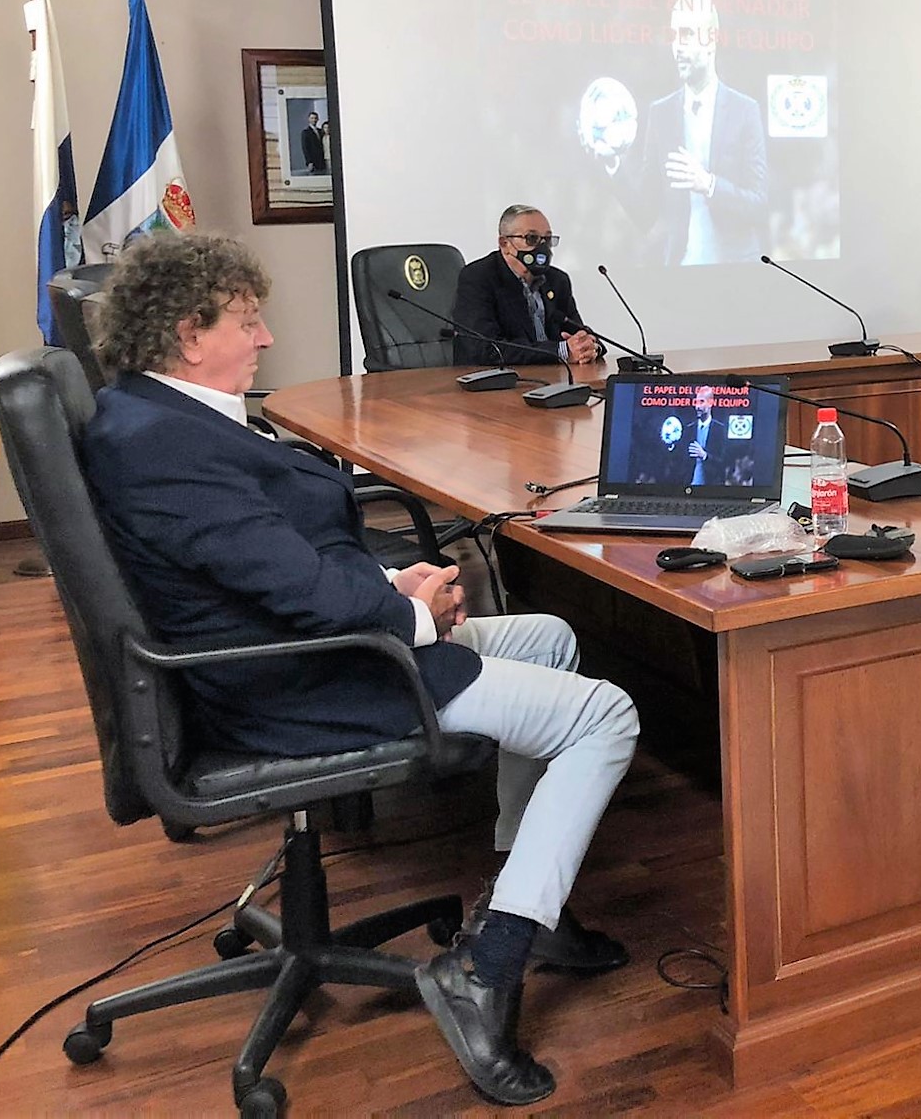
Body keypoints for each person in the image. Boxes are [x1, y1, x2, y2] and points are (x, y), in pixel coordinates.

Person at [80, 232, 638, 1106]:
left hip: (307, 640)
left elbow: (271, 565)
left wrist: (391, 580)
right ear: (189, 333)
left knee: (553, 638)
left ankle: (533, 902)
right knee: (606, 715)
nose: (264, 338)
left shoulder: (153, 416)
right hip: (303, 679)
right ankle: (488, 967)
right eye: (248, 320)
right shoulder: (163, 444)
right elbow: (294, 589)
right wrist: (416, 610)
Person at [596, 0, 768, 265]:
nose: (677, 47)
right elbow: (645, 214)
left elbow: (758, 205)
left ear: (711, 39)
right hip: (681, 273)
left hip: (739, 274)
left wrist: (708, 184)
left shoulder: (745, 111)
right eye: (674, 36)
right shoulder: (661, 114)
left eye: (687, 34)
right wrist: (614, 168)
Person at [452, 207, 600, 368]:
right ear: (505, 243)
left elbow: (579, 334)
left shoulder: (557, 280)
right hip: (500, 385)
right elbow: (486, 349)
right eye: (532, 238)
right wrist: (560, 351)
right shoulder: (478, 277)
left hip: (554, 380)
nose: (543, 247)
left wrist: (591, 347)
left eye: (547, 239)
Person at [661, 385, 738, 488]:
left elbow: (724, 462)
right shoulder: (688, 430)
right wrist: (671, 447)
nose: (697, 406)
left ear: (710, 403)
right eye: (696, 402)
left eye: (701, 402)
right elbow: (679, 460)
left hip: (712, 489)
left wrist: (704, 456)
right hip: (687, 487)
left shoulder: (720, 430)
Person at [298, 110, 329, 176]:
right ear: (309, 119)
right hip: (313, 161)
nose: (314, 120)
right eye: (312, 118)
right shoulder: (305, 132)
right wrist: (309, 162)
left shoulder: (321, 131)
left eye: (315, 118)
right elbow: (305, 148)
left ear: (318, 119)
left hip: (322, 160)